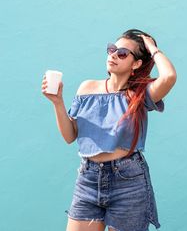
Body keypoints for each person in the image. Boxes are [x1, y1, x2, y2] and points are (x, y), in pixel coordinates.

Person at [41, 28, 177, 231]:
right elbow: (70, 136)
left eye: (122, 53)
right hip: (88, 179)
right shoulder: (87, 88)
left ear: (136, 63)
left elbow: (169, 77)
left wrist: (152, 49)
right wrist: (57, 102)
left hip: (128, 181)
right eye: (112, 49)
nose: (113, 55)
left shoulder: (139, 95)